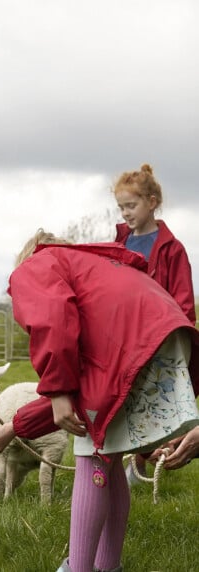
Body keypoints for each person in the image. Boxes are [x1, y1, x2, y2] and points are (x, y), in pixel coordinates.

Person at [0, 230, 199, 572]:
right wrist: (15, 428)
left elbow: (52, 317)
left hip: (136, 346)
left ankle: (79, 567)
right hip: (166, 340)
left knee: (92, 453)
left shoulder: (38, 265)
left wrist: (60, 391)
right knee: (109, 456)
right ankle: (108, 567)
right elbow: (86, 395)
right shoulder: (99, 274)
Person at [113, 163, 196, 483]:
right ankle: (127, 460)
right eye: (120, 207)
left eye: (131, 206)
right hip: (126, 335)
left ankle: (150, 459)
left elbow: (184, 300)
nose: (125, 213)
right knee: (125, 398)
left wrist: (179, 338)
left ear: (152, 202)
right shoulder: (119, 242)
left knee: (154, 400)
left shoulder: (172, 249)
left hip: (159, 336)